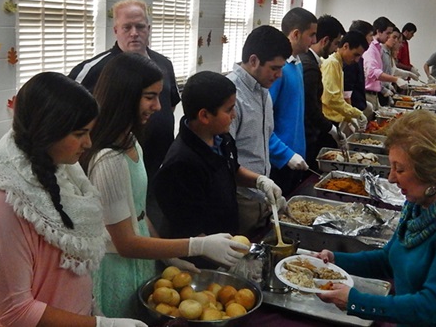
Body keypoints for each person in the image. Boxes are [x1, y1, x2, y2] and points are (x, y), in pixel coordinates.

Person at [0, 72, 145, 327]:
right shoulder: (2, 202)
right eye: (80, 134)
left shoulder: (64, 173)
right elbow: (15, 313)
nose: (88, 143)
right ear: (47, 131)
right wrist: (101, 325)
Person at [82, 54, 246, 318]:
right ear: (125, 96)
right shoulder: (108, 161)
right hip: (118, 269)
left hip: (140, 264)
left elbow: (139, 212)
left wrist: (166, 256)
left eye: (159, 96)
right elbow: (125, 243)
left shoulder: (130, 141)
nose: (158, 106)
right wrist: (196, 246)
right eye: (150, 97)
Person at [316, 110, 436, 326]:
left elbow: (431, 307)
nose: (391, 178)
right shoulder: (420, 202)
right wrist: (335, 261)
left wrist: (355, 301)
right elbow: (389, 259)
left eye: (399, 169)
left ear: (430, 170)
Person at [68, 0, 181, 234]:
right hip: (114, 172)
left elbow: (169, 107)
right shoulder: (95, 69)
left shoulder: (163, 64)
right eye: (127, 27)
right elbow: (69, 117)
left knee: (152, 232)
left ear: (148, 28)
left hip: (155, 171)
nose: (134, 33)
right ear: (115, 30)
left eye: (140, 27)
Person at [154, 71, 283, 267]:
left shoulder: (221, 138)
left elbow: (232, 169)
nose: (234, 115)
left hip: (226, 240)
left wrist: (259, 181)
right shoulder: (181, 165)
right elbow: (188, 229)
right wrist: (231, 259)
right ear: (205, 115)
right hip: (198, 261)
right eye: (229, 109)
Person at [226, 25, 292, 237]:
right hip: (241, 198)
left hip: (261, 196)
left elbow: (264, 137)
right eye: (274, 68)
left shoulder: (263, 91)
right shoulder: (231, 95)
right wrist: (258, 181)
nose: (279, 75)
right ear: (253, 60)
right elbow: (224, 160)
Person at [269, 7, 317, 195]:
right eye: (311, 35)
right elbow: (264, 123)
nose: (314, 41)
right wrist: (285, 154)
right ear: (296, 34)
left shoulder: (297, 64)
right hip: (281, 160)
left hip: (296, 157)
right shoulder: (277, 71)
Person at [300, 15, 344, 170]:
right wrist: (330, 128)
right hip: (307, 135)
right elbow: (310, 106)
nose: (336, 49)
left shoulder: (309, 61)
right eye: (336, 43)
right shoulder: (309, 67)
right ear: (325, 40)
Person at [363, 17, 415, 113]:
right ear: (378, 32)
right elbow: (372, 72)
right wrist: (394, 80)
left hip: (375, 94)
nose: (389, 37)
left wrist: (408, 74)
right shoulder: (372, 49)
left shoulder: (378, 48)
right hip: (369, 94)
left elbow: (387, 71)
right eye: (388, 33)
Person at [321, 31, 369, 131]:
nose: (356, 60)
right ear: (345, 46)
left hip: (333, 119)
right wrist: (355, 113)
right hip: (327, 121)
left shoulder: (339, 64)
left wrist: (349, 117)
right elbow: (331, 99)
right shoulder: (332, 63)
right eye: (355, 55)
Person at [343, 20, 374, 117]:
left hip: (358, 107)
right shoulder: (350, 61)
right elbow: (346, 93)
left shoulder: (358, 58)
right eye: (370, 35)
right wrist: (351, 115)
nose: (372, 39)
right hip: (352, 109)